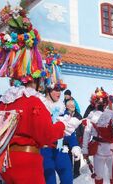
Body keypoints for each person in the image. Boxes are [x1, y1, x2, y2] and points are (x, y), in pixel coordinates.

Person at [0, 4, 79, 184]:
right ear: (36, 78)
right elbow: (45, 135)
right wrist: (64, 126)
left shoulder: (5, 103)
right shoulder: (33, 102)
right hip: (27, 165)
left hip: (6, 164)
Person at [41, 45, 82, 184]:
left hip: (61, 151)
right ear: (47, 89)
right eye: (55, 89)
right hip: (45, 152)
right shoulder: (41, 107)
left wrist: (75, 145)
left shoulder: (62, 107)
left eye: (60, 89)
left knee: (67, 180)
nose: (59, 93)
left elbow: (68, 129)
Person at [82, 87, 113, 184]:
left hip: (111, 149)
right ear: (94, 102)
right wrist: (85, 150)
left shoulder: (112, 114)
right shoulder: (91, 115)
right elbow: (86, 134)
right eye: (98, 101)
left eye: (103, 100)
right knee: (98, 175)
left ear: (106, 102)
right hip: (98, 149)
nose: (101, 103)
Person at [65, 99, 83, 179]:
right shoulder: (63, 115)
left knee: (77, 155)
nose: (73, 107)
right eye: (71, 105)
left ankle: (76, 172)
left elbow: (81, 127)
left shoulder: (78, 115)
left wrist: (81, 136)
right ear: (67, 106)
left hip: (77, 137)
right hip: (66, 138)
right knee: (68, 156)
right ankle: (69, 171)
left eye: (74, 105)